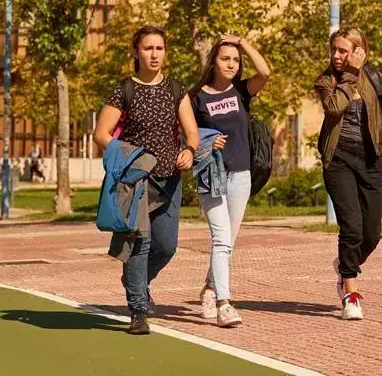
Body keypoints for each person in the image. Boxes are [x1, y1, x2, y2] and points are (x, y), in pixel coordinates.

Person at [92, 25, 199, 335]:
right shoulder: (124, 89)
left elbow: (190, 130)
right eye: (148, 48)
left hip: (170, 180)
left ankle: (135, 281)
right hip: (136, 182)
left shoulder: (175, 89)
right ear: (136, 52)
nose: (154, 54)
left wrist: (190, 150)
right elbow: (101, 134)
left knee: (166, 247)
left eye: (159, 48)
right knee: (141, 243)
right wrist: (128, 157)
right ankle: (138, 310)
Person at [315, 28, 382, 321]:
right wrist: (349, 74)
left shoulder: (375, 78)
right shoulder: (326, 81)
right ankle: (350, 292)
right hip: (339, 160)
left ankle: (346, 265)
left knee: (371, 235)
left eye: (343, 51)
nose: (336, 56)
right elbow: (335, 106)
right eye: (333, 50)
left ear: (359, 51)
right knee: (351, 227)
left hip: (372, 161)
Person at [189, 34, 270, 328]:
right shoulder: (195, 97)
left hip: (241, 174)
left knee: (228, 241)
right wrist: (207, 141)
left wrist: (242, 42)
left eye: (236, 60)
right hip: (211, 174)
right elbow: (186, 136)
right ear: (213, 61)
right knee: (222, 238)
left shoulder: (240, 92)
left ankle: (210, 288)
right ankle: (224, 303)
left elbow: (265, 72)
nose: (232, 64)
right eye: (226, 58)